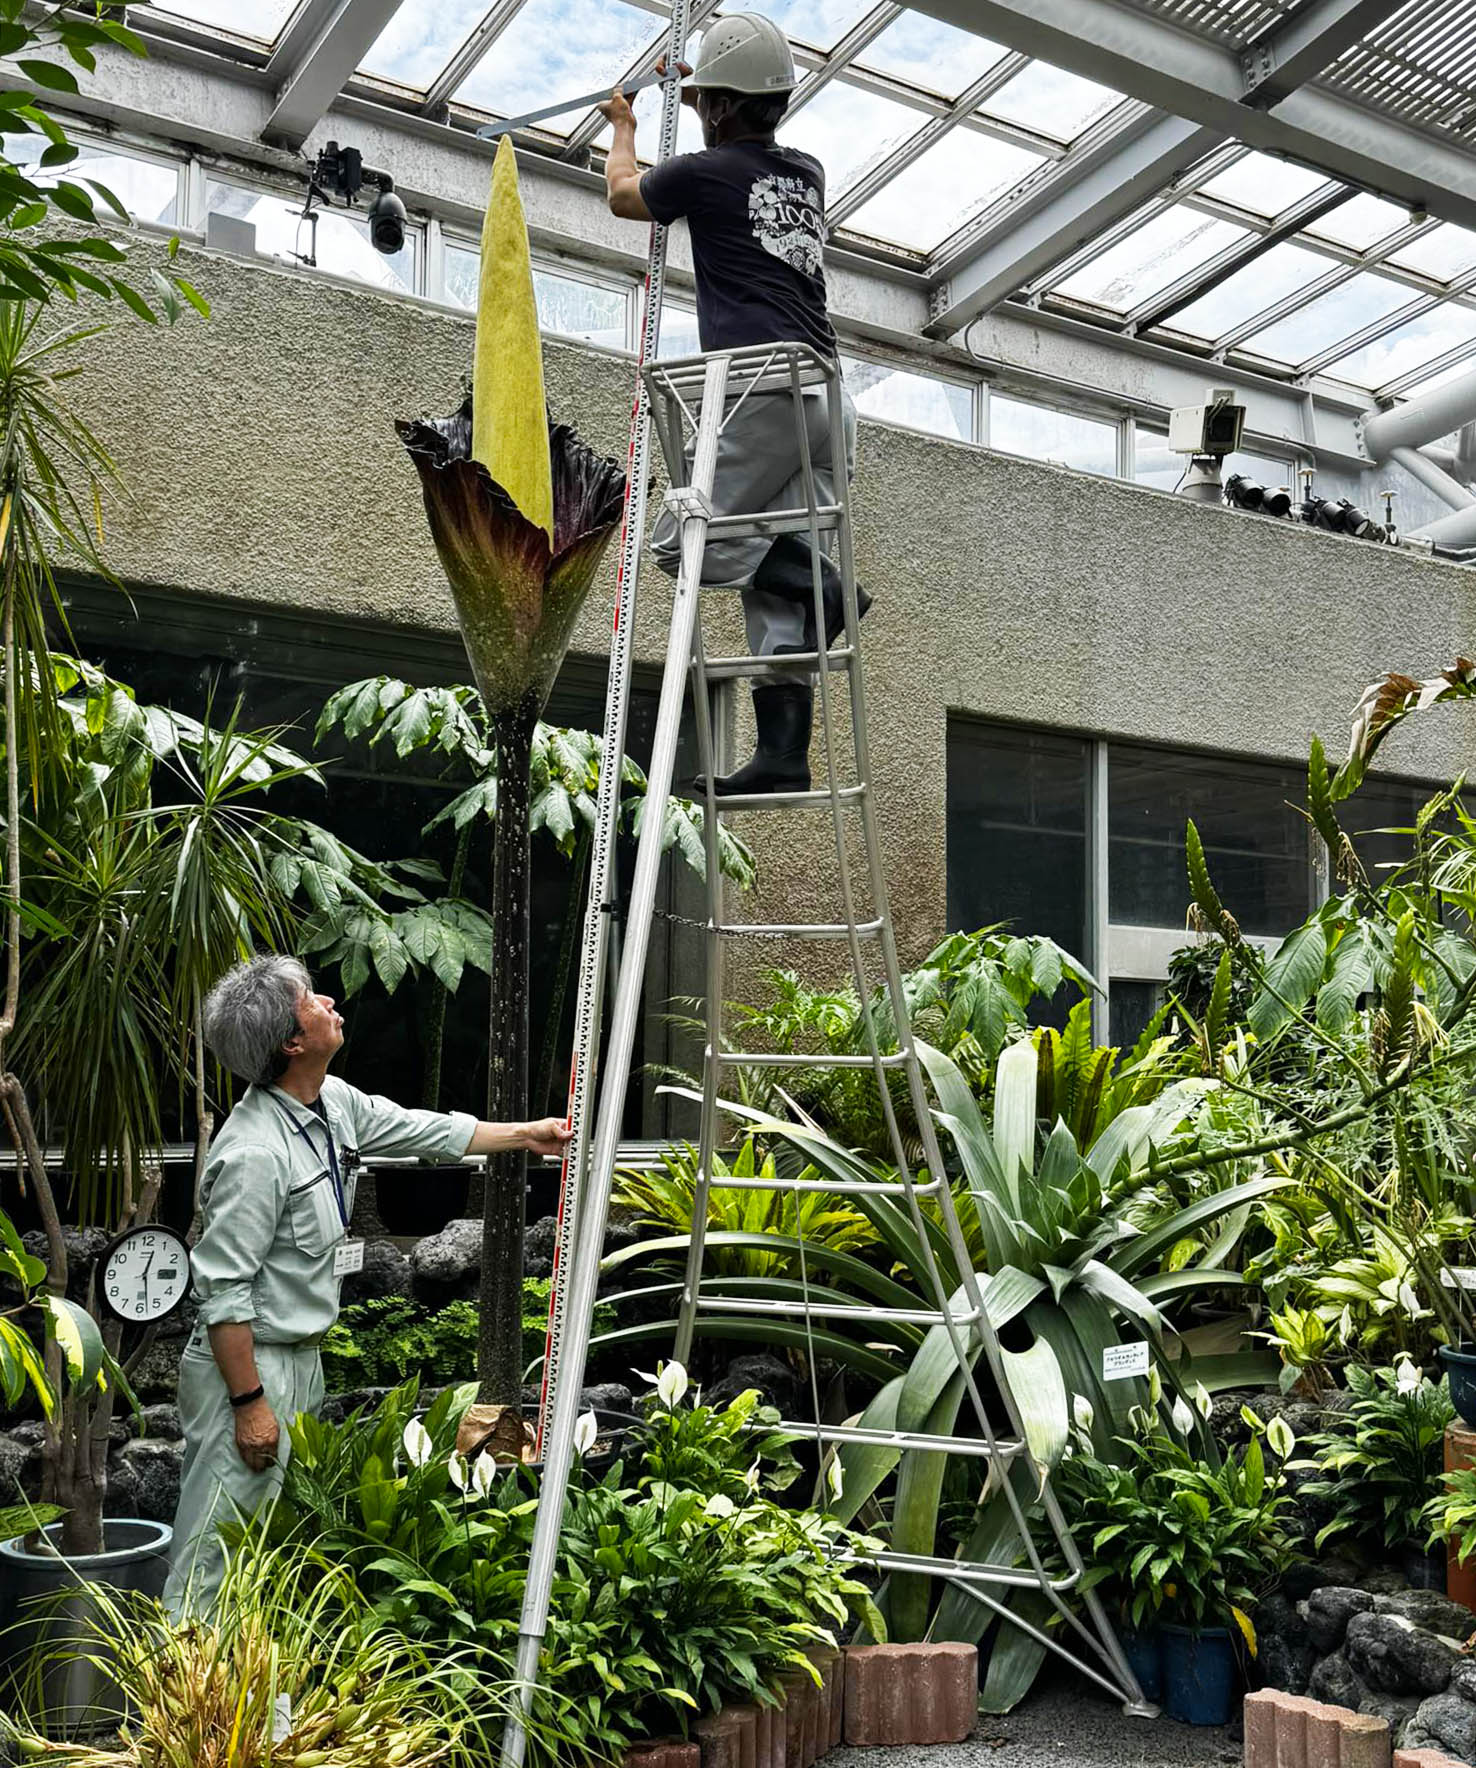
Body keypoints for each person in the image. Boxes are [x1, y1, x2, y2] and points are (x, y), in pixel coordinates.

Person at [163, 954, 570, 1615]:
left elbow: (422, 1128)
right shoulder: (252, 1153)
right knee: (214, 1556)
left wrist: (526, 1135)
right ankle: (182, 1708)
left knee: (268, 1553)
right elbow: (224, 1292)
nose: (331, 1002)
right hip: (249, 1371)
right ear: (291, 1043)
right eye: (313, 1001)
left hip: (299, 1361)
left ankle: (258, 1709)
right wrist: (249, 1404)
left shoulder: (333, 1103)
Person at [599, 12, 870, 797]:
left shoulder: (703, 176)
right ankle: (784, 754)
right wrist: (695, 101)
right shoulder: (807, 173)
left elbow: (624, 194)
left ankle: (829, 588)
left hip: (763, 384)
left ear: (717, 109)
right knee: (768, 588)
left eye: (702, 102)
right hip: (826, 394)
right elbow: (729, 148)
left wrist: (624, 126)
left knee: (679, 542)